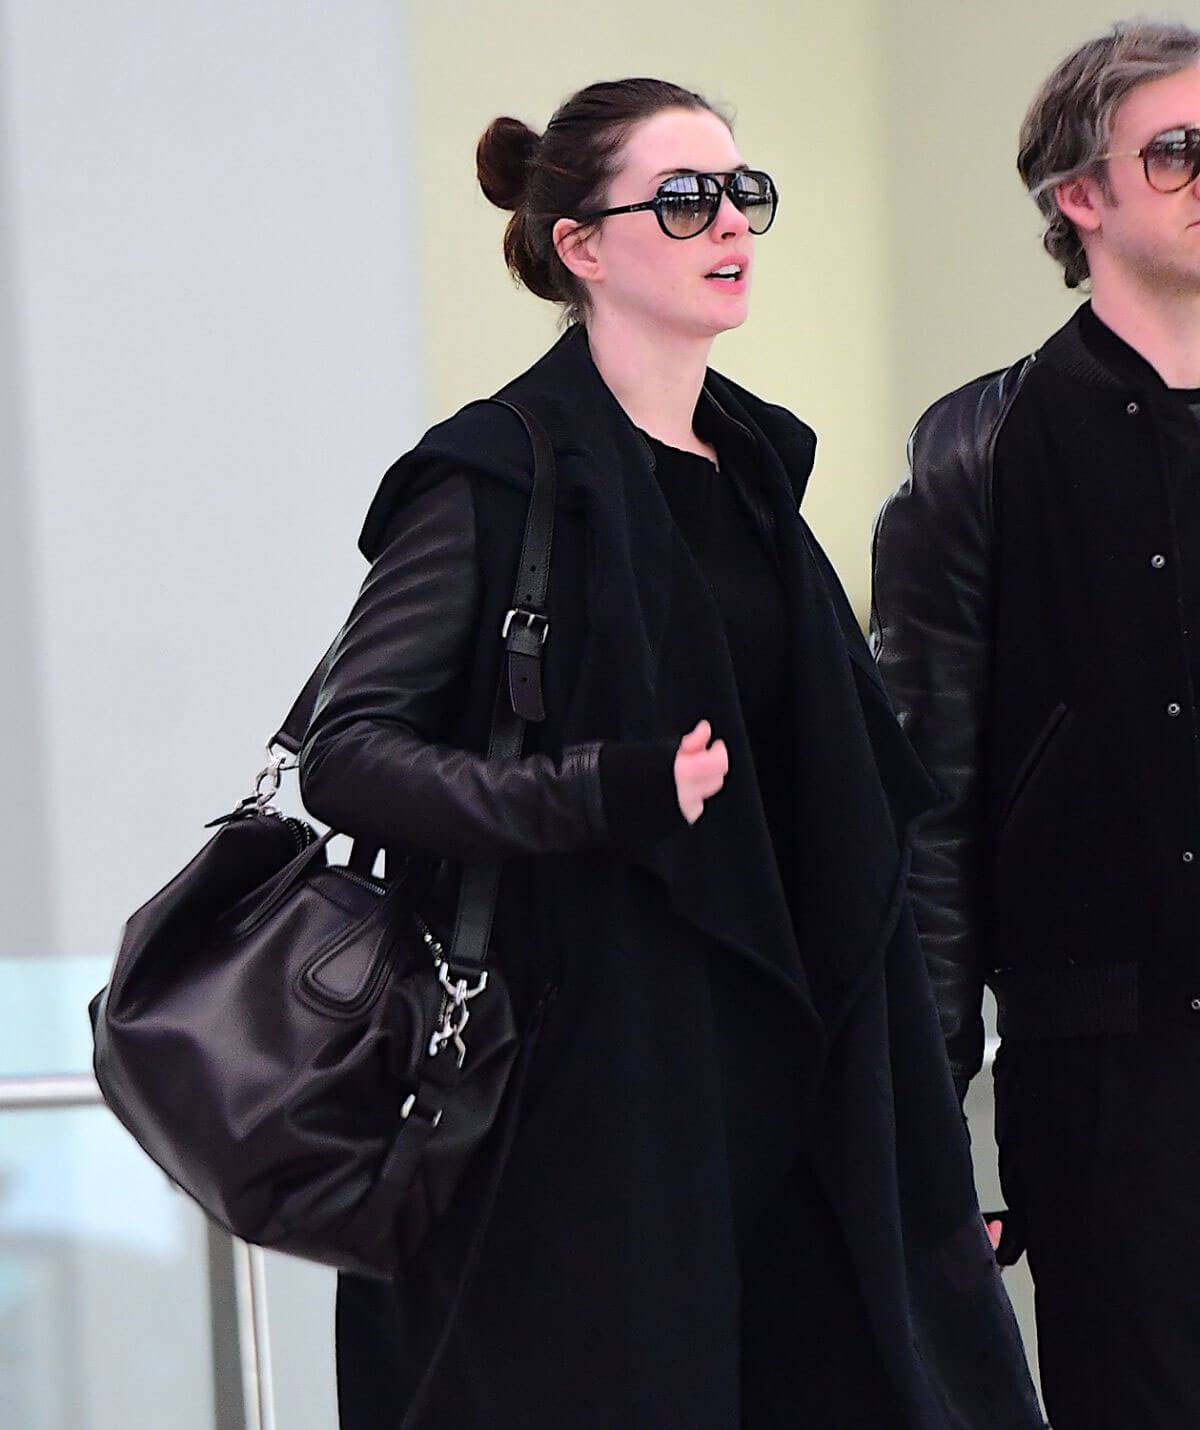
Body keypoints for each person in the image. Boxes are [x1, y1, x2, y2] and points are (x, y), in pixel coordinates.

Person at [301, 78, 1041, 1430]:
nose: (730, 226)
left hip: (800, 1090)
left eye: (742, 194)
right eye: (685, 197)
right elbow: (348, 754)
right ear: (582, 246)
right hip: (588, 1101)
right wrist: (599, 788)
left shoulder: (753, 475)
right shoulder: (493, 477)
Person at [871, 20, 1200, 1430]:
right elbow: (925, 803)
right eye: (1178, 150)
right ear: (1081, 197)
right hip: (1101, 1074)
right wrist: (925, 1111)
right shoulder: (977, 453)